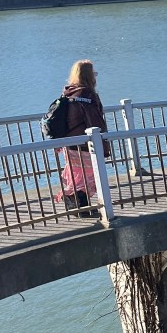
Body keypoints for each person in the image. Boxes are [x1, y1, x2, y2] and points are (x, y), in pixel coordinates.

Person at [56, 59, 108, 217]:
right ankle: (77, 202)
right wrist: (103, 142)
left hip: (69, 143)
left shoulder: (68, 93)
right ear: (89, 76)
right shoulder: (88, 95)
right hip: (86, 143)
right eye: (94, 74)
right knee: (92, 174)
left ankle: (80, 205)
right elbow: (95, 121)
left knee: (78, 174)